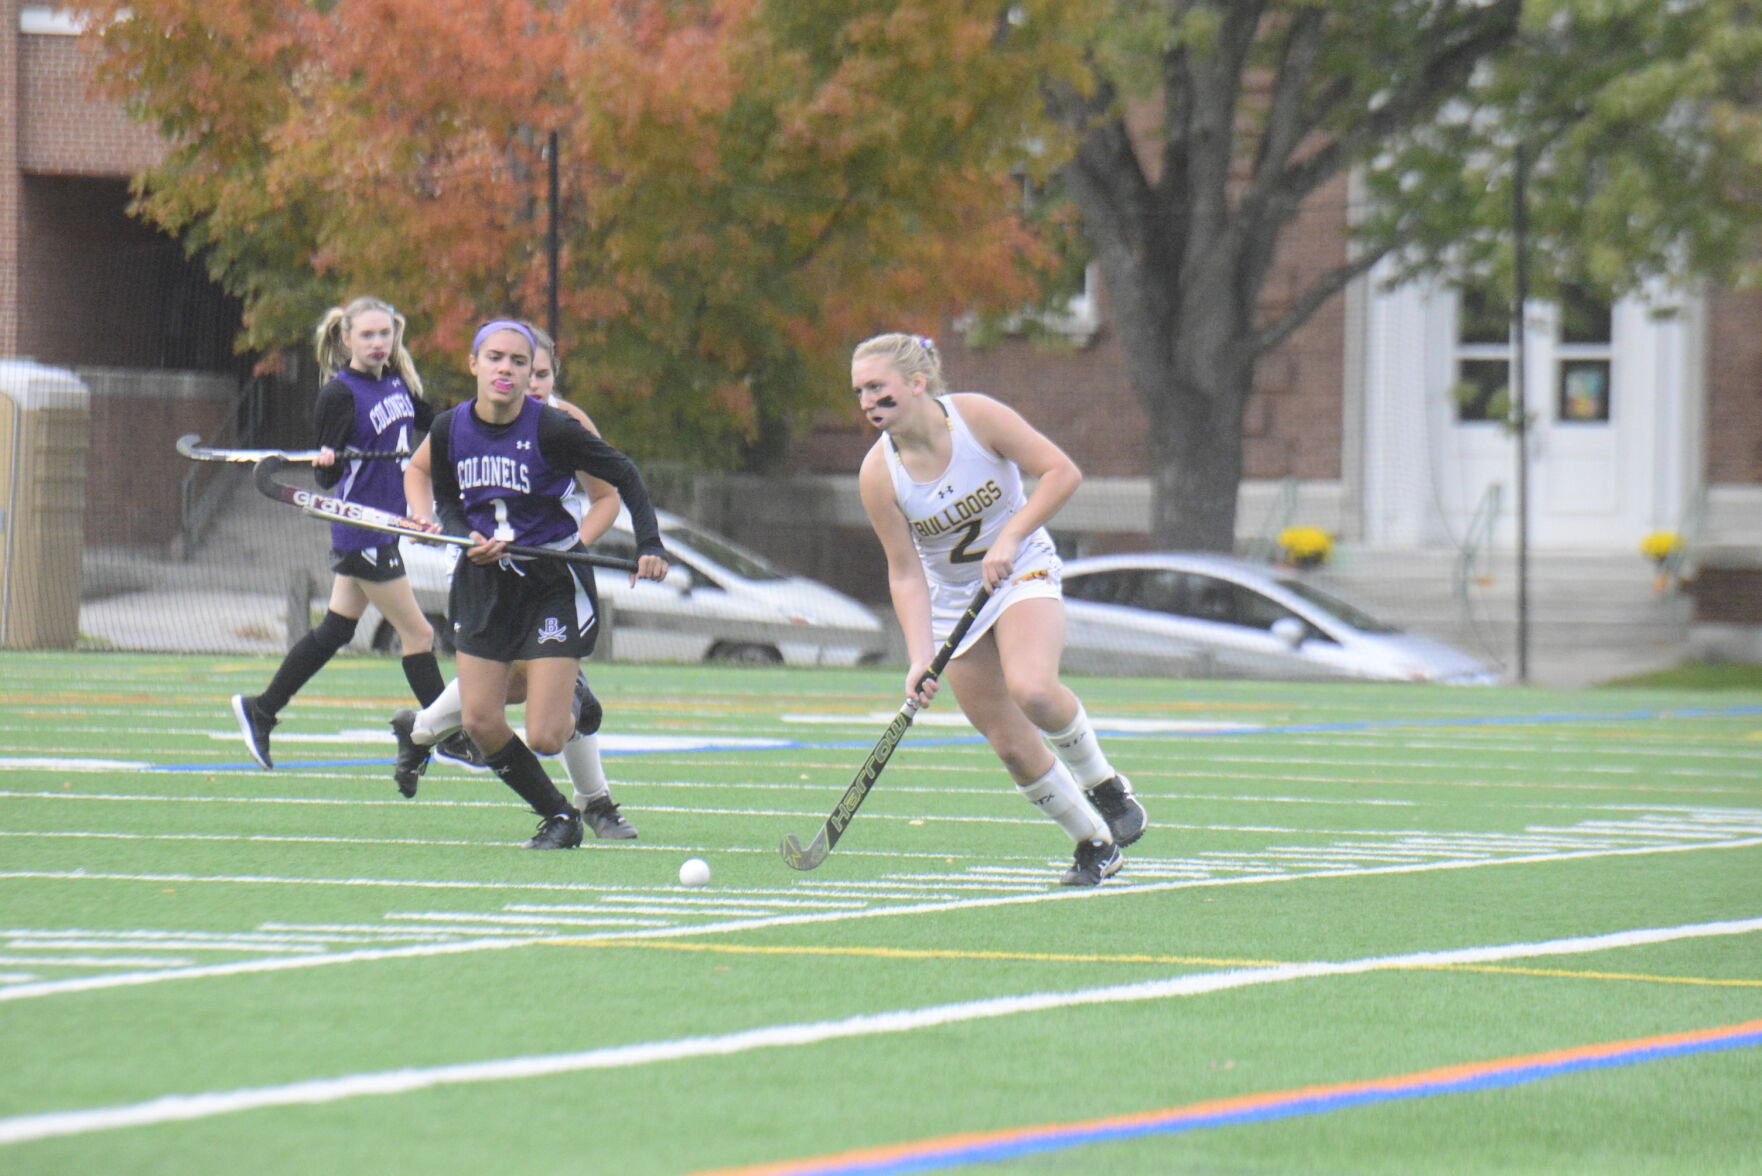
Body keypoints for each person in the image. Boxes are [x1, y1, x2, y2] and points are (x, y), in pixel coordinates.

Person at [852, 332, 1146, 885]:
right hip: (953, 601)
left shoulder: (976, 418)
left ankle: (1104, 783)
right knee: (1011, 747)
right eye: (859, 392)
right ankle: (1094, 843)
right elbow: (905, 571)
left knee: (1032, 687)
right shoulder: (877, 475)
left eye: (877, 387)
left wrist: (1010, 537)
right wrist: (919, 657)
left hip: (1020, 571)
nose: (867, 401)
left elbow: (1062, 473)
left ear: (917, 384)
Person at [394, 319, 668, 849]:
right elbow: (438, 488)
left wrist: (649, 545)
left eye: (519, 363)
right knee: (479, 720)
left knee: (545, 735)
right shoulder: (451, 428)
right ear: (474, 364)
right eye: (495, 358)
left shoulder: (554, 427)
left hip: (548, 583)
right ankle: (558, 817)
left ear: (534, 375)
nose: (507, 370)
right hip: (482, 586)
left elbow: (624, 476)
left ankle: (574, 703)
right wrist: (447, 529)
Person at [230, 296, 448, 769]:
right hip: (360, 531)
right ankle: (447, 735)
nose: (376, 343)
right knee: (419, 632)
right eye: (366, 335)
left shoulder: (398, 383)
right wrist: (328, 460)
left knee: (335, 629)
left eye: (384, 334)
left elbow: (437, 429)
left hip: (387, 528)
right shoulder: (339, 394)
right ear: (346, 338)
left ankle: (261, 709)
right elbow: (327, 483)